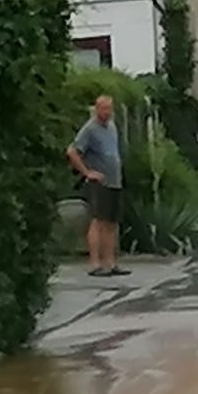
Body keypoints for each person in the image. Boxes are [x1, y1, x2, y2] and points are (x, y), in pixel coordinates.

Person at [67, 95, 127, 278]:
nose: (107, 112)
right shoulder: (90, 129)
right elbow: (72, 151)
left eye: (110, 109)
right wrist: (87, 172)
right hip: (99, 182)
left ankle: (110, 263)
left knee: (111, 222)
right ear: (97, 109)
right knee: (98, 221)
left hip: (114, 181)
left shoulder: (112, 127)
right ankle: (94, 264)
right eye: (104, 109)